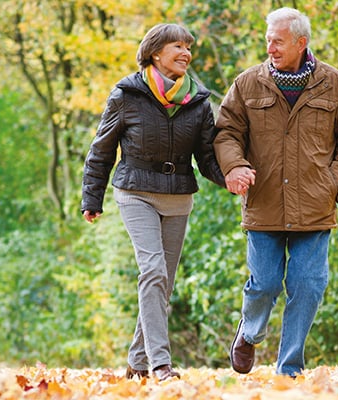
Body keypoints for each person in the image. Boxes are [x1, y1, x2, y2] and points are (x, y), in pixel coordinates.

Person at [214, 7, 338, 377]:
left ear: (301, 43)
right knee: (265, 283)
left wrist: (333, 186)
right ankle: (249, 332)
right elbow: (226, 133)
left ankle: (289, 369)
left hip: (314, 206)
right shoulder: (248, 83)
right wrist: (234, 166)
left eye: (278, 41)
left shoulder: (333, 84)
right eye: (267, 40)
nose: (270, 47)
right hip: (264, 203)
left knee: (308, 285)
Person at [81, 23, 225, 382]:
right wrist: (92, 197)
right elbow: (102, 150)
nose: (186, 53)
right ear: (155, 52)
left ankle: (136, 361)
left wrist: (233, 179)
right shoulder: (127, 94)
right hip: (136, 191)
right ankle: (160, 363)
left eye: (188, 47)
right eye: (177, 46)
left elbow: (207, 158)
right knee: (153, 271)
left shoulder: (199, 101)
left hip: (178, 196)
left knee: (163, 282)